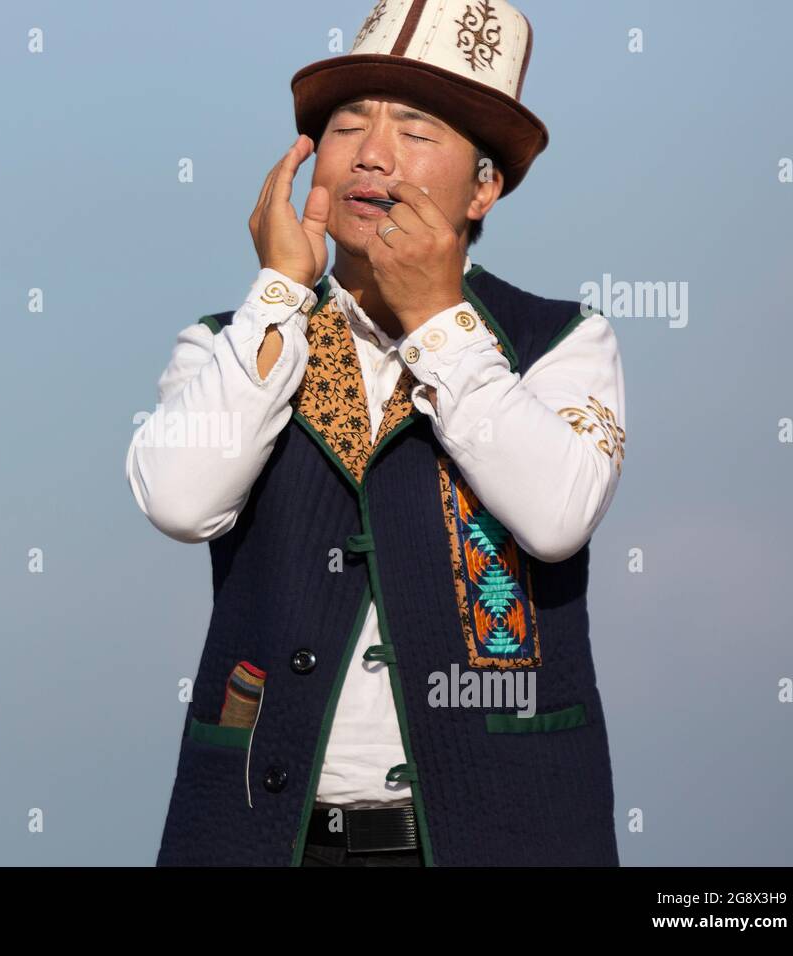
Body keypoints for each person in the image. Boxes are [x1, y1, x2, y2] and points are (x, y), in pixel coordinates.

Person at [126, 0, 626, 866]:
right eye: (347, 125)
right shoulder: (233, 340)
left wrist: (437, 317)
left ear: (484, 187)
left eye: (418, 131)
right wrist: (280, 290)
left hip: (507, 833)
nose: (373, 155)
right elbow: (177, 500)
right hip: (265, 835)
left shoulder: (562, 342)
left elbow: (557, 516)